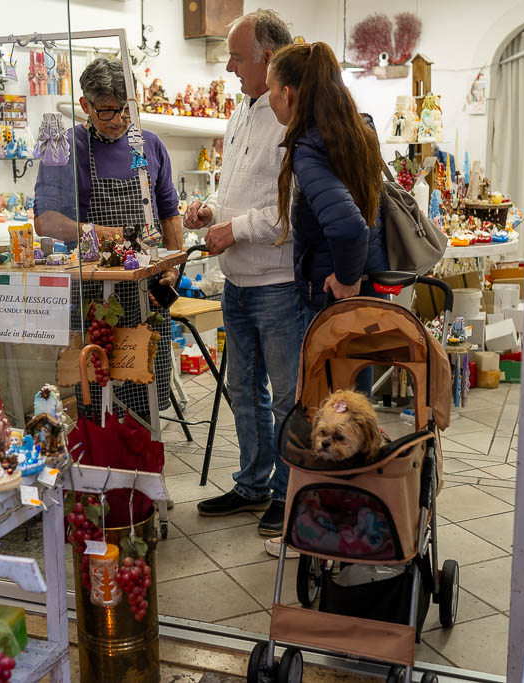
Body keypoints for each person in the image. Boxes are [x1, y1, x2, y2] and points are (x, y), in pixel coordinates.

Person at [185, 11, 304, 539]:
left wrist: (234, 229)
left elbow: (292, 212)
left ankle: (287, 492)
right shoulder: (240, 114)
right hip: (237, 282)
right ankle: (253, 483)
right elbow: (233, 189)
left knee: (285, 397)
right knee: (242, 390)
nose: (229, 65)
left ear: (269, 57)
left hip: (277, 284)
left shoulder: (291, 116)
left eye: (237, 56)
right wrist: (211, 211)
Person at [34, 58, 182, 419]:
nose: (118, 120)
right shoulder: (66, 149)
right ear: (85, 105)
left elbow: (169, 214)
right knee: (97, 390)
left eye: (125, 109)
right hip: (94, 293)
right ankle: (102, 458)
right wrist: (103, 234)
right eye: (106, 111)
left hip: (145, 288)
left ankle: (142, 456)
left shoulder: (149, 144)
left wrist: (173, 265)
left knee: (144, 385)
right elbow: (45, 221)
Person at [267, 41, 388, 314]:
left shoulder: (308, 149)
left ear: (287, 94)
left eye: (270, 89)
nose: (269, 98)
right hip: (370, 290)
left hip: (336, 301)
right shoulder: (355, 132)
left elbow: (349, 226)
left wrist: (346, 278)